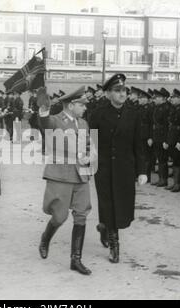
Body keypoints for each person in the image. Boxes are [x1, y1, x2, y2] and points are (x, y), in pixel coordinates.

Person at [37, 85, 95, 275]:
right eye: (82, 105)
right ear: (71, 105)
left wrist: (89, 156)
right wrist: (44, 109)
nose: (85, 108)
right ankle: (46, 237)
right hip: (61, 175)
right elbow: (45, 123)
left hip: (81, 174)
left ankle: (75, 260)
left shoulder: (84, 123)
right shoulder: (56, 120)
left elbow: (87, 145)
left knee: (81, 214)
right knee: (60, 216)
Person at [89, 74, 147, 263]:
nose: (122, 94)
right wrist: (87, 167)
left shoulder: (133, 114)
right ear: (108, 94)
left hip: (124, 168)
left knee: (122, 205)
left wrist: (142, 170)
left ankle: (106, 227)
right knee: (107, 203)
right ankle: (114, 243)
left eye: (124, 90)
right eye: (117, 90)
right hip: (103, 168)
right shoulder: (98, 113)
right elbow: (90, 142)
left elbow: (138, 144)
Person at [165, 89, 180, 193]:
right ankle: (175, 183)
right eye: (172, 97)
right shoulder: (173, 109)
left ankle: (178, 184)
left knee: (178, 161)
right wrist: (167, 140)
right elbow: (169, 126)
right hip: (171, 137)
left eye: (174, 97)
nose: (172, 99)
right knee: (174, 161)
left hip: (177, 139)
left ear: (179, 98)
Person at [151, 88, 170, 187]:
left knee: (163, 159)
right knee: (159, 158)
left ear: (163, 99)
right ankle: (161, 178)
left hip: (162, 136)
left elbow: (167, 125)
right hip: (157, 135)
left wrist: (165, 140)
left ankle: (164, 179)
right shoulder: (157, 107)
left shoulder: (166, 108)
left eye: (158, 97)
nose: (155, 99)